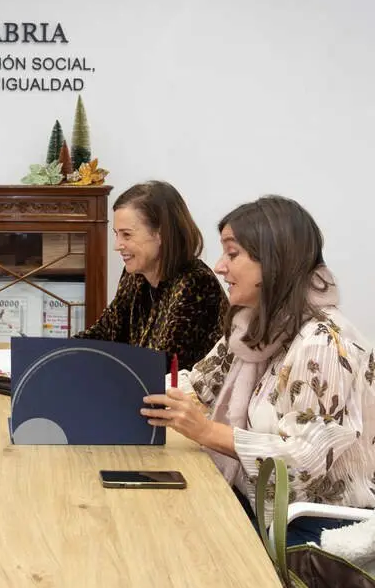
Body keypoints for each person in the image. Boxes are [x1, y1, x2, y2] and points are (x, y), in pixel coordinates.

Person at [142, 196, 375, 546]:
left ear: (274, 260)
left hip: (313, 526)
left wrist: (207, 431)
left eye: (233, 254)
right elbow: (197, 384)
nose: (219, 266)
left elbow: (301, 464)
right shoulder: (250, 328)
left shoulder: (322, 342)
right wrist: (128, 385)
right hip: (259, 503)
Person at [75, 181, 227, 370]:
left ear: (160, 233)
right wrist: (54, 353)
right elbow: (105, 333)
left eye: (127, 235)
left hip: (185, 397)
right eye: (117, 234)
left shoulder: (196, 283)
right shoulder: (135, 275)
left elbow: (161, 367)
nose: (117, 245)